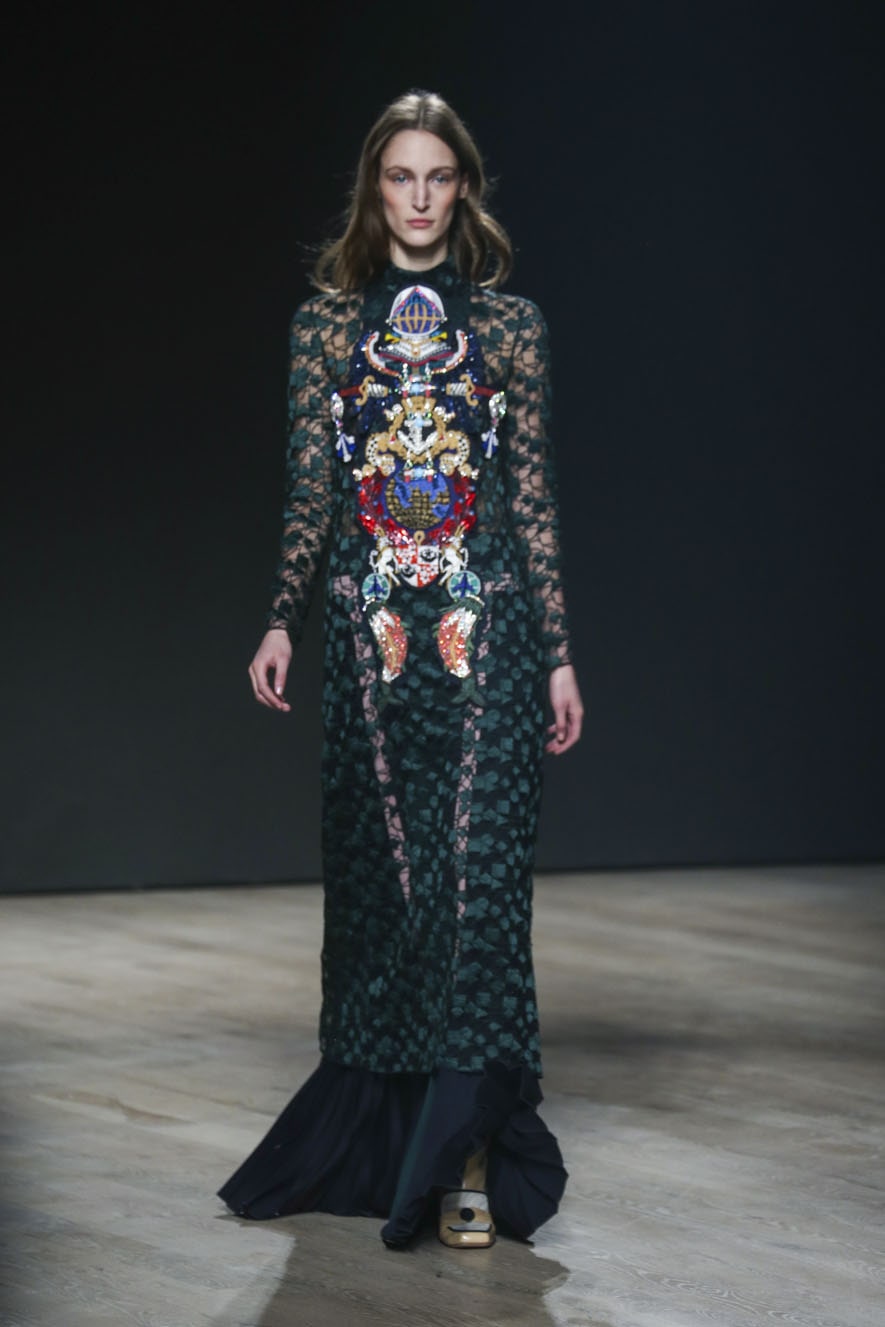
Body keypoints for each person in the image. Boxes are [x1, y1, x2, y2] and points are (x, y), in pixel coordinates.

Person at [219, 89, 583, 1250]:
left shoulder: (512, 327)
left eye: (437, 176)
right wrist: (281, 621)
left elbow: (531, 500)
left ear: (461, 187)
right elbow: (311, 491)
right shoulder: (325, 328)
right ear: (374, 192)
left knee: (482, 894)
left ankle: (468, 1153)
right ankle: (394, 1140)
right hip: (374, 644)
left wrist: (561, 655)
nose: (419, 197)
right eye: (399, 177)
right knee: (392, 898)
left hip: (491, 637)